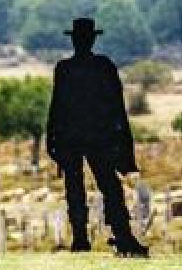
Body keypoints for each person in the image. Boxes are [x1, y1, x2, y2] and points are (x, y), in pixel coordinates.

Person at [46, 17, 149, 258]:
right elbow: (115, 108)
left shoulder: (69, 69)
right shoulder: (99, 67)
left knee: (88, 188)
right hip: (94, 138)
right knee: (103, 188)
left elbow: (57, 108)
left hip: (80, 138)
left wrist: (52, 140)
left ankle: (95, 238)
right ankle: (112, 237)